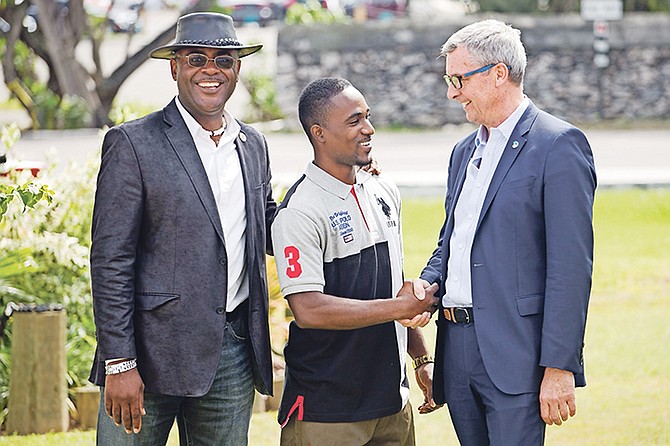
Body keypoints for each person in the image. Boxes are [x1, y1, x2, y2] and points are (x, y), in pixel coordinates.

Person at [88, 12, 277, 445]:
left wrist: (340, 179)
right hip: (146, 355)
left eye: (223, 60)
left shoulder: (253, 145)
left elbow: (269, 224)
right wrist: (120, 362)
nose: (211, 69)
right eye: (197, 58)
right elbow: (110, 259)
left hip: (231, 352)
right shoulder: (134, 143)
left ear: (237, 69)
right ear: (175, 67)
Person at [413, 19, 597, 445]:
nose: (451, 92)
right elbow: (452, 241)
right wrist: (428, 282)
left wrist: (560, 366)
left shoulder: (559, 145)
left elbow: (570, 269)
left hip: (518, 357)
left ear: (498, 74)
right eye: (449, 79)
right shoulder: (463, 151)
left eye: (459, 79)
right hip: (456, 352)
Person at [271, 77, 441, 446]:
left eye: (367, 116)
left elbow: (395, 286)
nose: (369, 128)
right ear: (319, 133)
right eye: (354, 121)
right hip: (327, 413)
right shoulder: (299, 211)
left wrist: (421, 358)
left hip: (393, 407)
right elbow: (309, 310)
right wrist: (399, 306)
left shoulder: (383, 189)